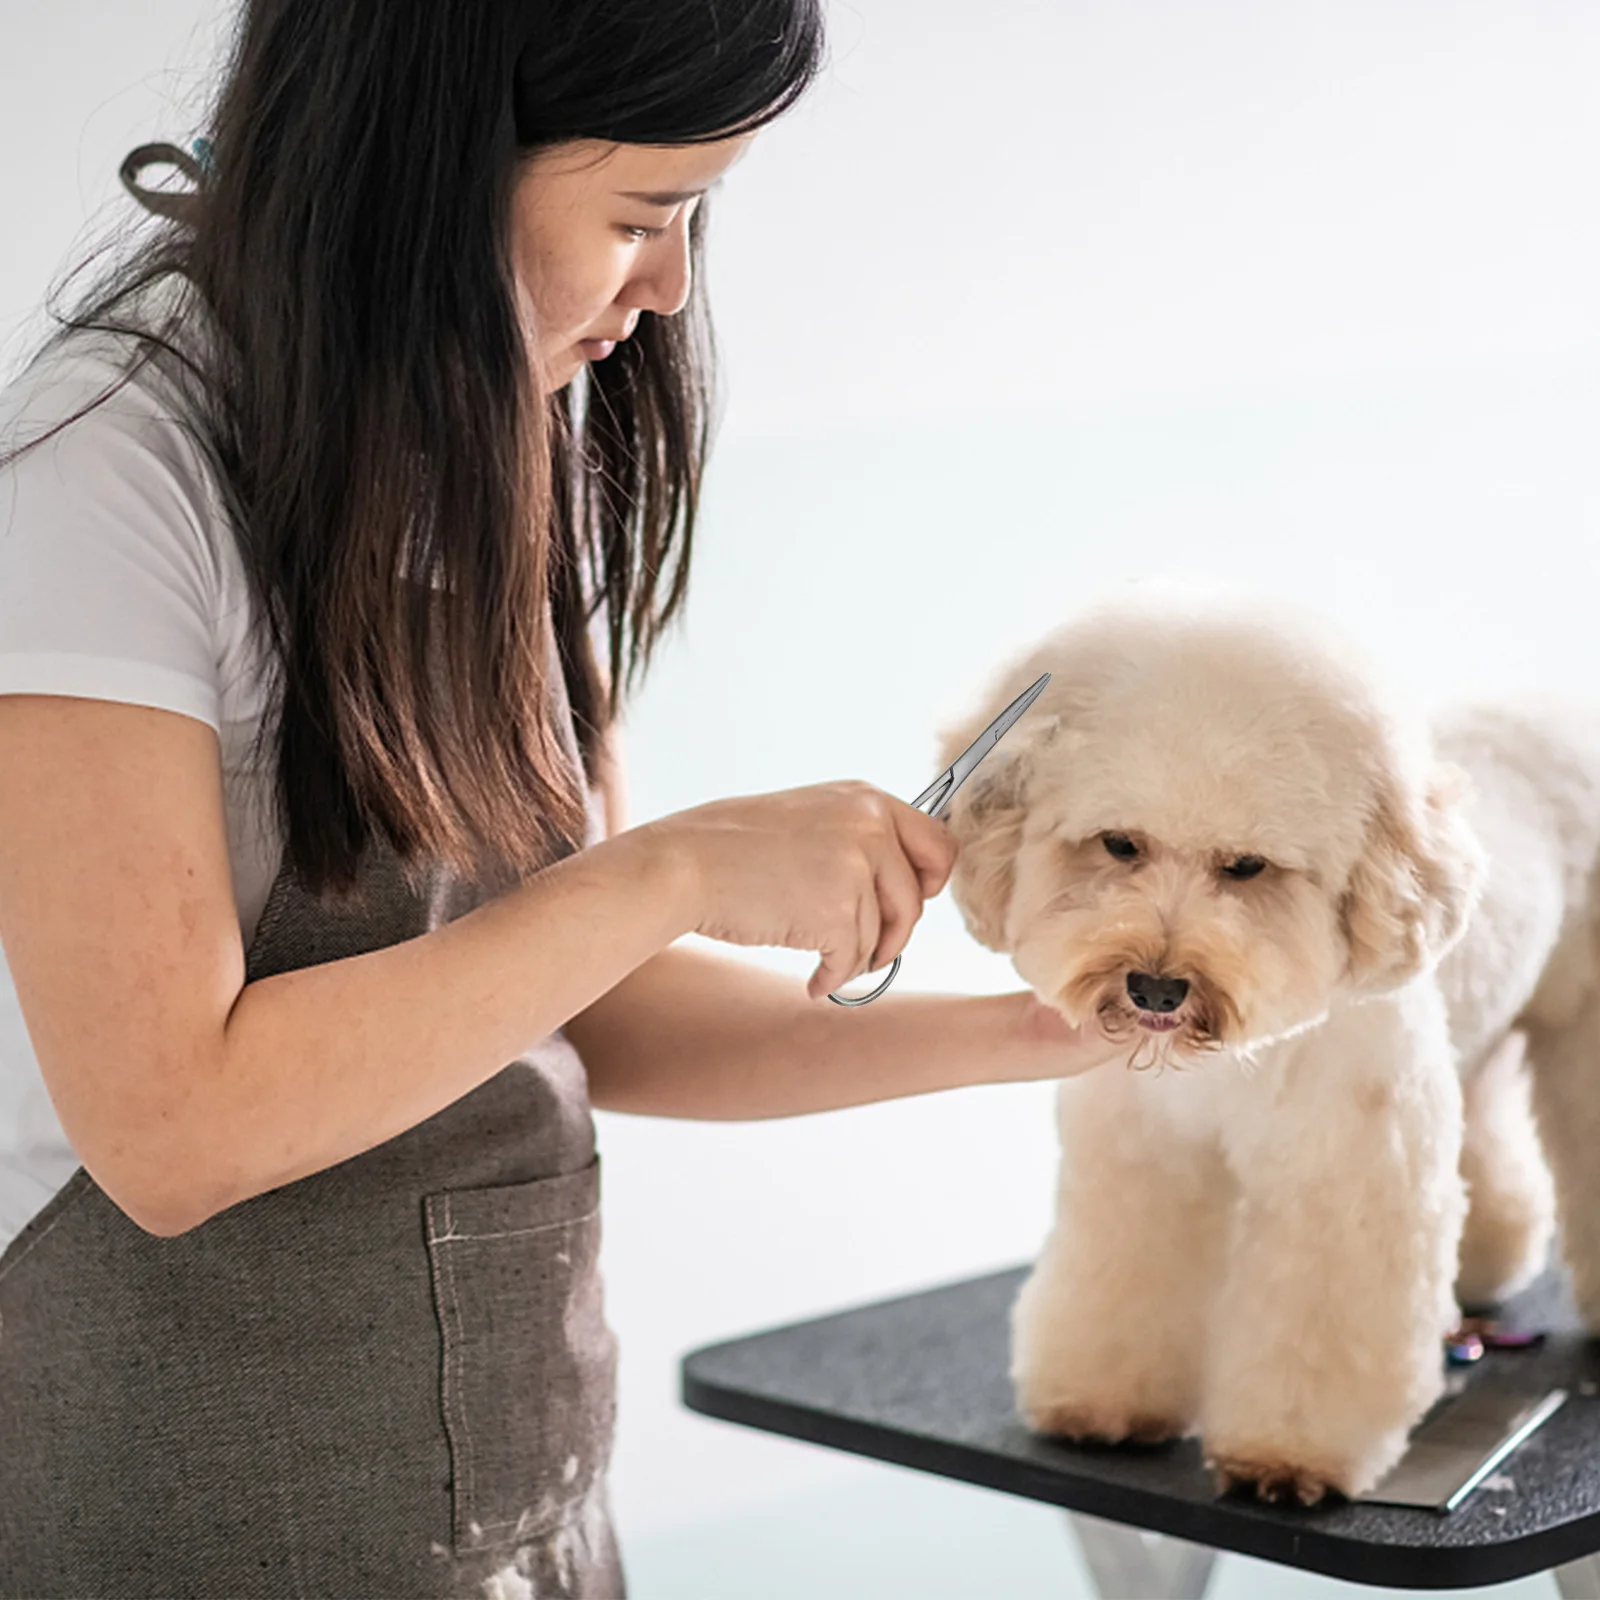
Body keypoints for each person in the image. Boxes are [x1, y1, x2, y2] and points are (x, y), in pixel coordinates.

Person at [0, 2, 1115, 1594]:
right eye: (644, 216)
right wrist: (660, 872)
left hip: (508, 1509)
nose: (666, 291)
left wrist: (1066, 1034)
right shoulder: (111, 466)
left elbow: (571, 1011)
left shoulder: (494, 437)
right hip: (189, 1496)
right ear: (433, 168)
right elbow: (172, 1128)